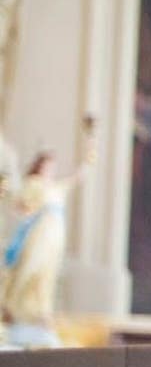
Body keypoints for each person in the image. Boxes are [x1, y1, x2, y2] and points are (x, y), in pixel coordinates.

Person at [2, 126, 96, 343]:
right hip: (38, 235)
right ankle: (19, 312)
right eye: (48, 165)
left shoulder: (55, 187)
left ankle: (40, 313)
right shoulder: (34, 184)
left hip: (54, 237)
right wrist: (29, 213)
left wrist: (91, 146)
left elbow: (80, 175)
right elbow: (20, 205)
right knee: (29, 270)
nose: (51, 169)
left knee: (47, 275)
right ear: (41, 165)